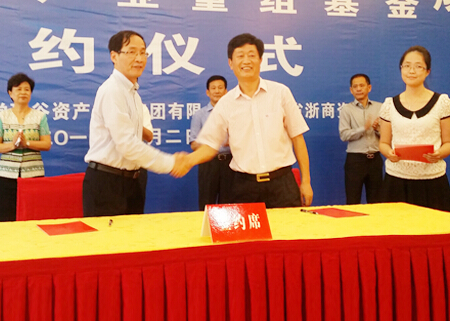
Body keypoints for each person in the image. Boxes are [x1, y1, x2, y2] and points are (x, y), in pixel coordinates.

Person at [173, 33, 314, 208]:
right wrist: (188, 161)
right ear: (230, 63)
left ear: (260, 60)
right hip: (244, 187)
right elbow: (210, 146)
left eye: (251, 55)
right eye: (240, 56)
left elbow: (297, 138)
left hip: (282, 184)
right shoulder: (225, 103)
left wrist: (306, 181)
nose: (246, 61)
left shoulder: (280, 93)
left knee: (287, 227)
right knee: (247, 228)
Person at [83, 30, 185, 217]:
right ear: (114, 56)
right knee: (111, 237)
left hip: (132, 181)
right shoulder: (112, 90)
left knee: (133, 235)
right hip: (108, 184)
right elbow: (127, 144)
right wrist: (170, 163)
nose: (139, 58)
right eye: (131, 52)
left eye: (143, 52)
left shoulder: (134, 95)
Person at [379, 46, 450, 212]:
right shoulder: (389, 105)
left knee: (434, 227)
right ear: (401, 69)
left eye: (418, 66)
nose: (411, 71)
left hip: (431, 181)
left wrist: (439, 154)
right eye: (406, 66)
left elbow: (449, 143)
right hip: (396, 181)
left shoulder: (442, 103)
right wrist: (389, 153)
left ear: (427, 71)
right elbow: (383, 143)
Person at [0, 73, 51, 221]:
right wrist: (12, 145)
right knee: (5, 217)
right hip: (7, 174)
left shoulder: (40, 116)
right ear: (10, 93)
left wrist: (27, 143)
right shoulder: (2, 117)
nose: (23, 92)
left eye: (27, 89)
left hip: (33, 174)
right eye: (18, 89)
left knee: (33, 215)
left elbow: (46, 144)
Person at [189, 75, 235, 210]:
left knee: (229, 205)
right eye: (213, 88)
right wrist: (212, 144)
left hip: (230, 163)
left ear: (226, 91)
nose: (217, 91)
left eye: (220, 88)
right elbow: (193, 144)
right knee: (206, 202)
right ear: (207, 92)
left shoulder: (234, 113)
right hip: (208, 163)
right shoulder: (200, 115)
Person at [338, 73, 383, 204]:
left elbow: (388, 135)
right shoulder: (346, 109)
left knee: (376, 202)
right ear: (351, 90)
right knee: (353, 201)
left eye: (362, 85)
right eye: (355, 86)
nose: (358, 89)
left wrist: (378, 129)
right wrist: (363, 128)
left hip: (375, 159)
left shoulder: (380, 107)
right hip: (355, 161)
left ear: (369, 88)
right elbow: (344, 135)